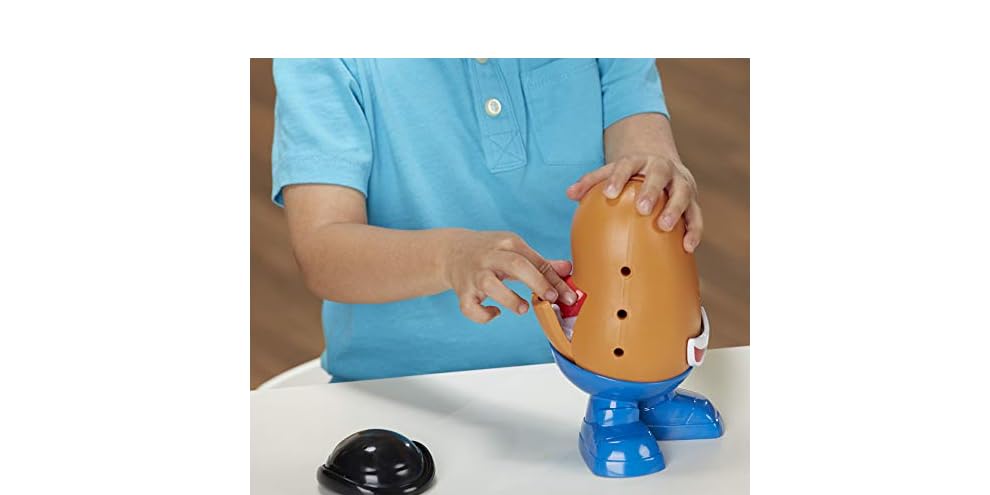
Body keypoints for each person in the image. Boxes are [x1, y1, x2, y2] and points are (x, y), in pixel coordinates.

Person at [272, 59, 703, 381]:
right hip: (402, 392)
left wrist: (659, 176)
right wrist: (449, 258)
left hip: (606, 375)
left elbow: (643, 155)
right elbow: (323, 250)